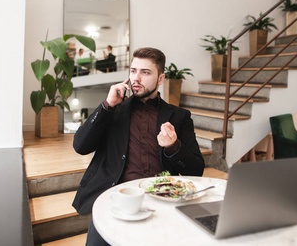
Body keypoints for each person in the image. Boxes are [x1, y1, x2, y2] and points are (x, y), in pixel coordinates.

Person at [72, 47, 205, 245]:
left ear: (161, 78)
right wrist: (107, 105)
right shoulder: (113, 109)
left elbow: (196, 169)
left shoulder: (179, 116)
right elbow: (80, 146)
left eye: (145, 72)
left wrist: (173, 146)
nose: (136, 78)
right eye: (133, 71)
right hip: (115, 198)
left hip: (160, 201)